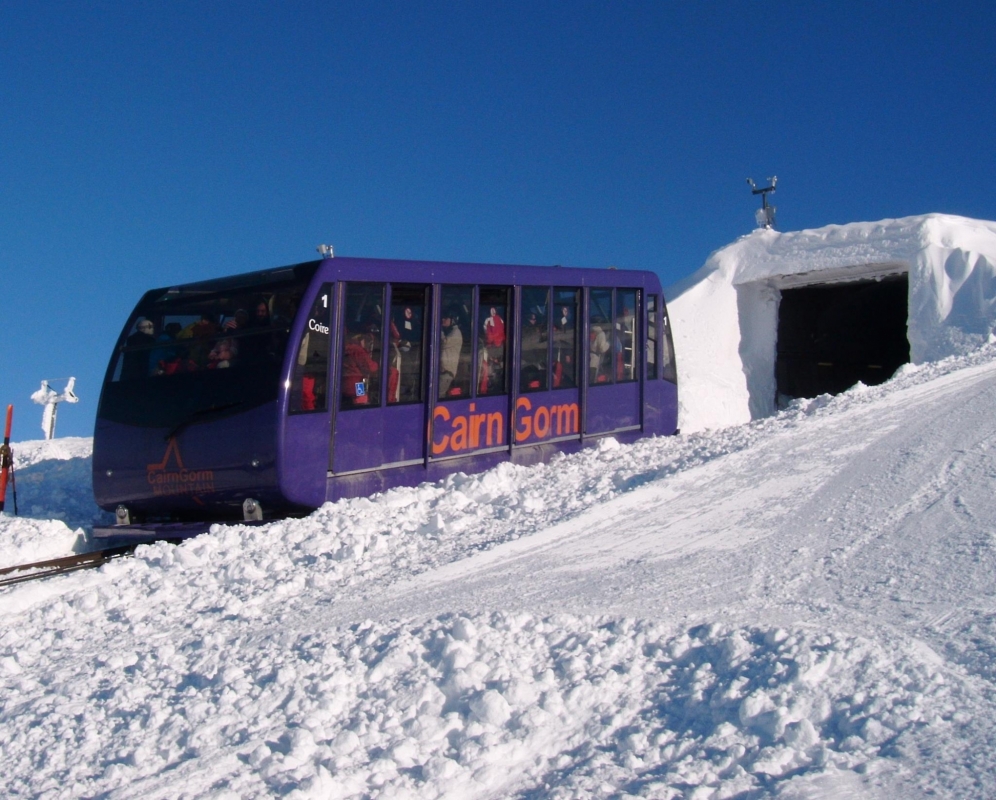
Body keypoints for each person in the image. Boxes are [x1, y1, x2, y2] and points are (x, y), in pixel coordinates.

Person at [341, 331, 379, 405]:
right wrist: (378, 364)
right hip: (357, 382)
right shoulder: (359, 350)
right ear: (362, 340)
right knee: (362, 403)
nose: (368, 345)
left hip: (344, 383)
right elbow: (371, 367)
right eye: (368, 342)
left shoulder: (346, 348)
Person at [438, 306, 463, 397]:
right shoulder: (450, 331)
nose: (443, 320)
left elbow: (443, 343)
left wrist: (438, 329)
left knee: (439, 395)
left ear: (453, 320)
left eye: (446, 318)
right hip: (442, 371)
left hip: (447, 372)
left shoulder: (456, 333)